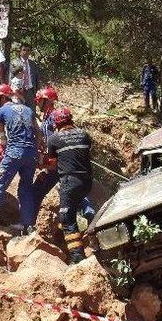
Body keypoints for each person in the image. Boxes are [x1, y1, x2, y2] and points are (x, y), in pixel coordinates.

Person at [0, 84, 43, 233]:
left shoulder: (0, 112)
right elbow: (38, 134)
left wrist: (5, 152)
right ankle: (27, 225)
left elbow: (3, 139)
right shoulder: (28, 110)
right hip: (31, 153)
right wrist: (36, 151)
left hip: (14, 152)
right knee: (26, 188)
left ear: (1, 97)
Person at [32, 86, 95, 224]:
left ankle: (30, 222)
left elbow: (60, 137)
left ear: (47, 100)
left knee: (62, 186)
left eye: (39, 100)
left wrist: (49, 160)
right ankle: (88, 211)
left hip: (61, 159)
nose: (37, 103)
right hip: (57, 158)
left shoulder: (55, 115)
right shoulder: (47, 116)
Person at [46, 107, 92, 264]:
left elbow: (52, 164)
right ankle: (92, 237)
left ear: (56, 123)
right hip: (86, 182)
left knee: (67, 218)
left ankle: (77, 258)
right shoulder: (84, 135)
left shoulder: (53, 139)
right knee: (81, 209)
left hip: (69, 182)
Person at [9, 43, 40, 109]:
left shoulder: (33, 64)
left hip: (30, 91)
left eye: (28, 50)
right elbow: (10, 78)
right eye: (24, 50)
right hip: (18, 91)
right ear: (20, 51)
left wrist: (37, 91)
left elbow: (37, 78)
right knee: (19, 111)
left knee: (31, 112)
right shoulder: (14, 63)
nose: (26, 52)